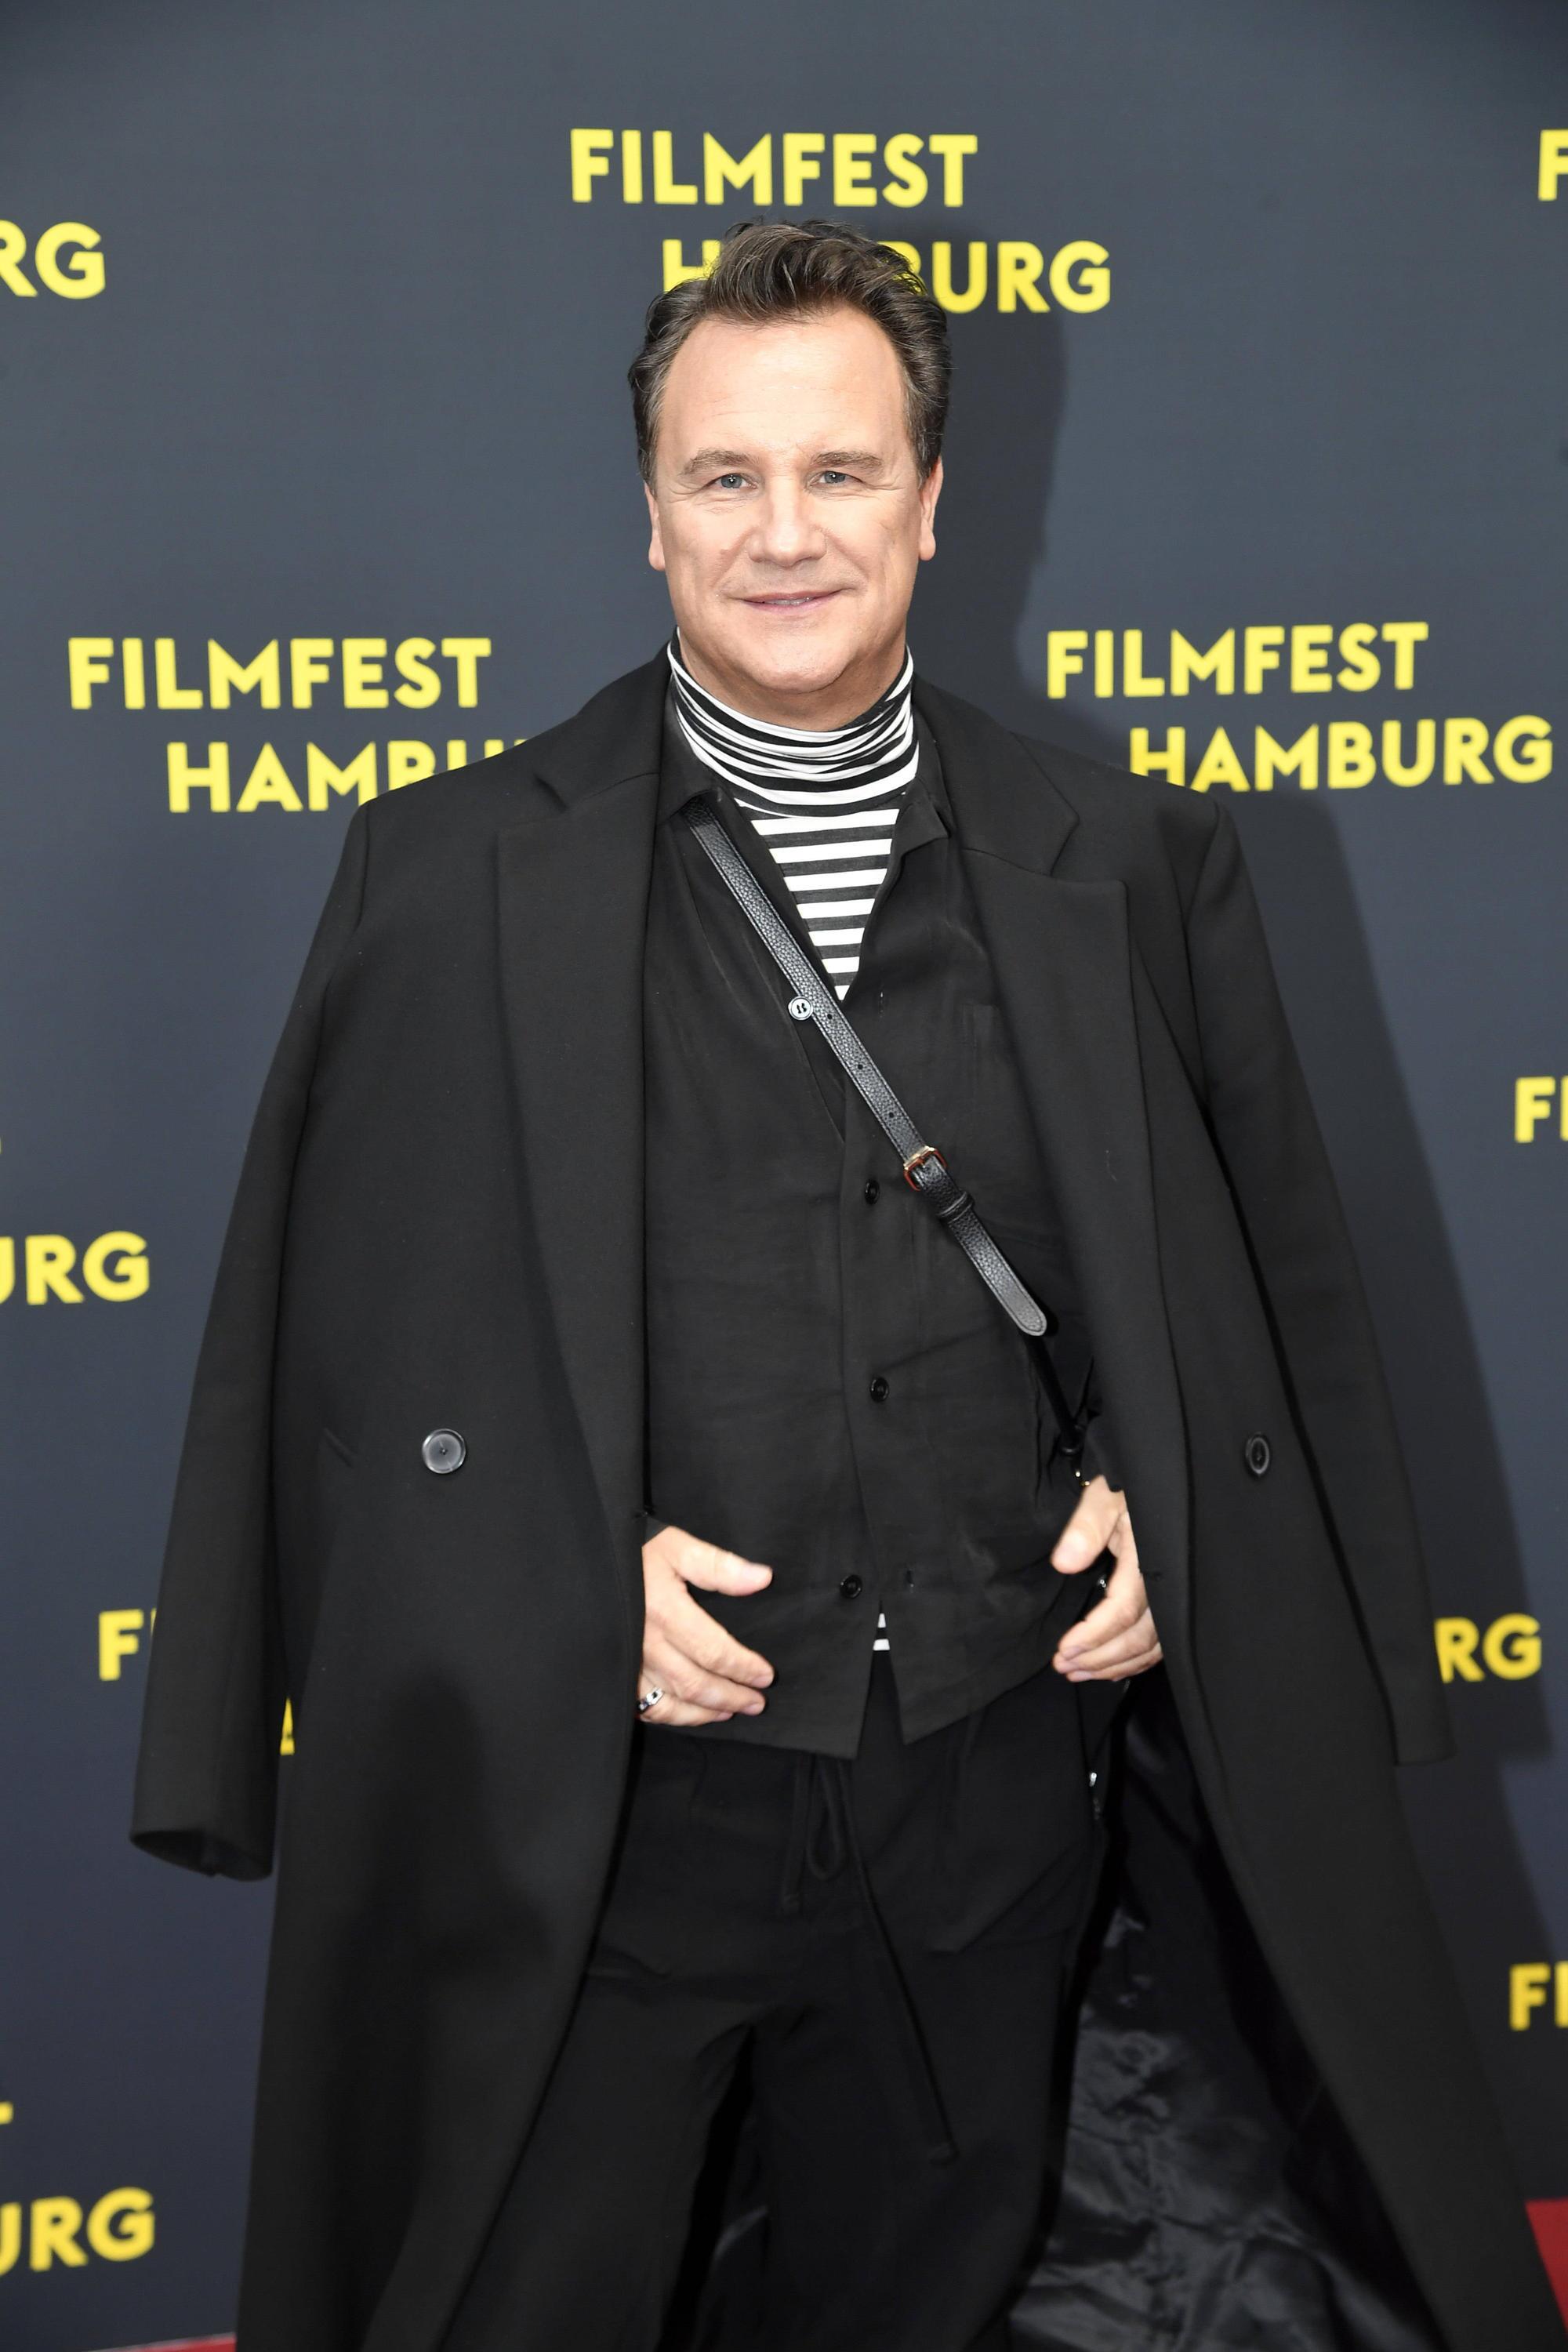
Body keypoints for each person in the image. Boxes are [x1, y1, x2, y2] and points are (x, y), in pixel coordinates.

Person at [132, 220, 1563, 2352]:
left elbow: (1258, 1297)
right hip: (605, 1825)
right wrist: (552, 1576)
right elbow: (344, 1361)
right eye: (725, 476)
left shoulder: (1130, 857)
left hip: (993, 1803)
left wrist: (1170, 1500)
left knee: (918, 2301)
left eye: (841, 472)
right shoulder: (447, 869)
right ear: (649, 510)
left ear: (932, 501)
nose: (784, 531)